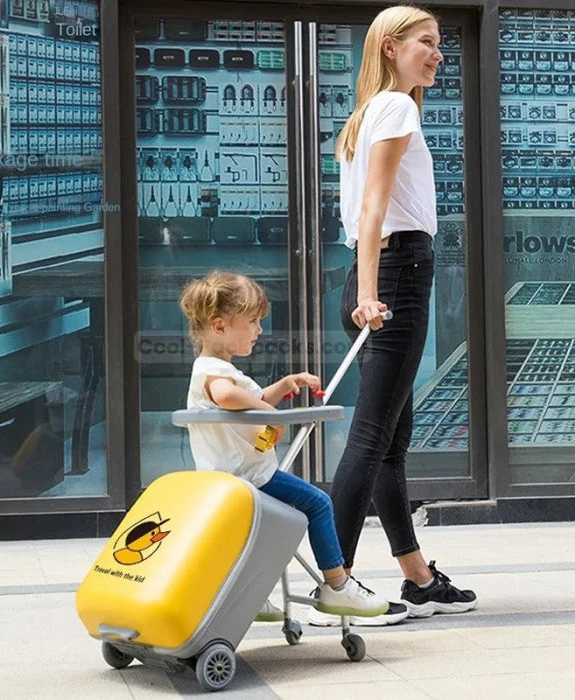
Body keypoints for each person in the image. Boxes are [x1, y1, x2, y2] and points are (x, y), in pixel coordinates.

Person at [308, 5, 477, 627]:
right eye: (425, 43)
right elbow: (375, 211)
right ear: (388, 48)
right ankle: (337, 581)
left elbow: (364, 215)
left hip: (374, 275)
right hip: (394, 278)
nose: (438, 54)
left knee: (390, 444)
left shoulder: (365, 116)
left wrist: (361, 289)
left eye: (439, 44)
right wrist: (371, 297)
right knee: (373, 439)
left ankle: (417, 577)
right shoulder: (397, 108)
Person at [180, 271, 398, 623]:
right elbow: (226, 397)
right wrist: (269, 413)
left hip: (235, 476)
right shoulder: (212, 372)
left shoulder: (216, 368)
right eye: (252, 322)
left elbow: (245, 400)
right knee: (317, 503)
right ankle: (337, 585)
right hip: (248, 477)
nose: (259, 330)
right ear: (219, 327)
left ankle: (245, 595)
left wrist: (283, 386)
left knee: (265, 530)